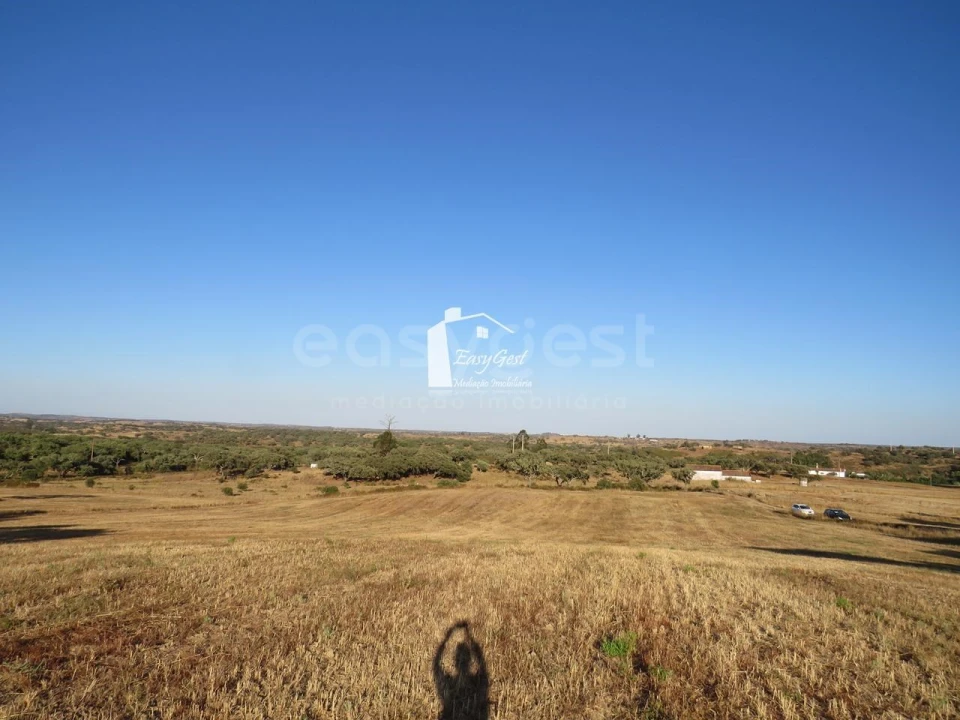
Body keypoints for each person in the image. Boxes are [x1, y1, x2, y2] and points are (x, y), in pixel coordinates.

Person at [433, 621, 490, 720]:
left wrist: (447, 638)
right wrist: (470, 637)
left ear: (454, 662)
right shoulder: (477, 686)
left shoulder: (449, 687)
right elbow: (483, 666)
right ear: (471, 661)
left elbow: (436, 667)